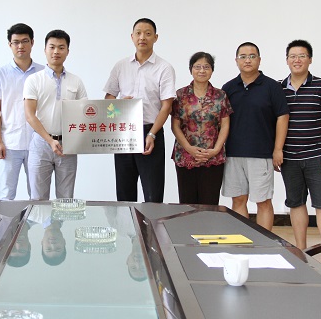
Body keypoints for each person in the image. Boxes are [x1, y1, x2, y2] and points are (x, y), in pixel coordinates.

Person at [279, 40, 321, 271]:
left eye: (302, 56)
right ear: (287, 60)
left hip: (317, 156)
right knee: (296, 204)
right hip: (289, 157)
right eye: (292, 56)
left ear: (310, 59)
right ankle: (301, 251)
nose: (297, 60)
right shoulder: (278, 88)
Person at [103, 18, 176, 203]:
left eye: (148, 33)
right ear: (132, 37)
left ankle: (150, 224)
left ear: (156, 37)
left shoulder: (164, 68)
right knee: (124, 193)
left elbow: (166, 106)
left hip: (151, 131)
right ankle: (126, 223)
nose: (142, 37)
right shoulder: (121, 66)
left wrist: (152, 134)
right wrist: (120, 105)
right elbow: (108, 100)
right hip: (124, 133)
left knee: (153, 194)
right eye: (138, 33)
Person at [221, 42, 289, 231]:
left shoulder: (272, 87)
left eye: (252, 56)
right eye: (242, 56)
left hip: (262, 154)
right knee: (238, 199)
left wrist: (278, 149)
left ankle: (265, 243)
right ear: (236, 61)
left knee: (263, 201)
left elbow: (283, 117)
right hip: (233, 154)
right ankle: (241, 242)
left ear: (259, 60)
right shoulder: (228, 88)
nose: (247, 60)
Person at [23, 29, 87, 200]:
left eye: (61, 47)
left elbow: (86, 113)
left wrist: (118, 107)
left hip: (68, 145)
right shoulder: (34, 80)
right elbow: (29, 115)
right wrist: (50, 140)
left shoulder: (76, 81)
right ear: (45, 50)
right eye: (52, 47)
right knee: (38, 199)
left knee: (66, 199)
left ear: (67, 51)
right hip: (41, 144)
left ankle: (63, 220)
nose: (56, 51)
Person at [0, 23, 44, 200]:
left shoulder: (43, 72)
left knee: (38, 195)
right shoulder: (0, 74)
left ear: (32, 42)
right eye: (16, 42)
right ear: (9, 45)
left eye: (25, 41)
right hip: (10, 143)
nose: (20, 46)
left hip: (38, 143)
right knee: (6, 195)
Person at [171, 52, 232, 205]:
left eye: (206, 67)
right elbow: (175, 125)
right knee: (187, 204)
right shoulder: (181, 95)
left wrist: (216, 150)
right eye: (197, 67)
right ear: (191, 69)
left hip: (213, 157)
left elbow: (225, 124)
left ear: (212, 70)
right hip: (185, 157)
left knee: (210, 204)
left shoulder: (220, 96)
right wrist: (189, 149)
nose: (202, 70)